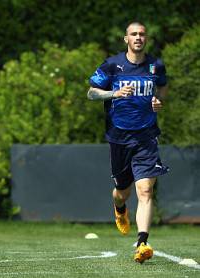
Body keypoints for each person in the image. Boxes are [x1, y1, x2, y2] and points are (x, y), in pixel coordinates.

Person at [87, 22, 168, 264]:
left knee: (145, 190)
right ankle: (119, 209)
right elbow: (91, 92)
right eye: (134, 34)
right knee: (122, 192)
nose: (138, 38)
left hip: (146, 137)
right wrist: (114, 93)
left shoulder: (156, 65)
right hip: (119, 138)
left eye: (142, 34)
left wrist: (158, 102)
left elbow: (162, 89)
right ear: (126, 39)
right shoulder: (112, 65)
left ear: (147, 38)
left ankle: (142, 242)